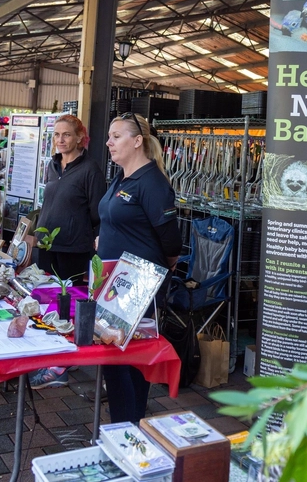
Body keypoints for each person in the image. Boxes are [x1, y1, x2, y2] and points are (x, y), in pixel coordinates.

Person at [97, 112, 180, 422]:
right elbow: (117, 220)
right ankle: (120, 426)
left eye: (116, 136)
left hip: (140, 286)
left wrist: (160, 272)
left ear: (137, 141)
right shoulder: (122, 177)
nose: (109, 142)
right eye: (109, 135)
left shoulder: (153, 183)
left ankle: (128, 428)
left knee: (130, 364)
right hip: (114, 284)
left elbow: (172, 243)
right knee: (113, 361)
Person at [27, 115, 106, 390]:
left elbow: (97, 214)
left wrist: (97, 242)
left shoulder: (90, 170)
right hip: (48, 247)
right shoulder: (52, 165)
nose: (61, 140)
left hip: (74, 248)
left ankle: (61, 365)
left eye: (67, 135)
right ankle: (47, 355)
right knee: (47, 304)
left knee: (67, 308)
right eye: (57, 135)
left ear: (80, 138)